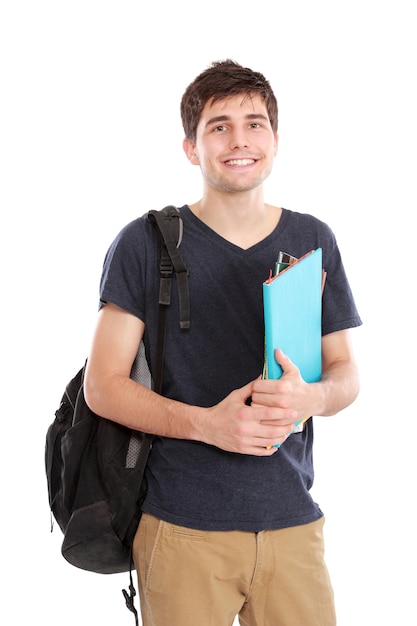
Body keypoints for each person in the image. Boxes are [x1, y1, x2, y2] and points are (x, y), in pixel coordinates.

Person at [84, 59, 362, 626]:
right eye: (220, 126)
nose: (240, 140)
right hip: (182, 530)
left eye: (255, 123)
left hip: (292, 524)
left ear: (276, 140)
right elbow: (102, 386)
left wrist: (315, 399)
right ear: (192, 147)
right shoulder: (146, 242)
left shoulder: (312, 239)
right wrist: (207, 424)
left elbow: (345, 373)